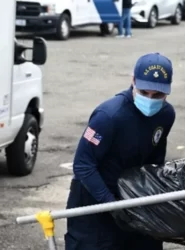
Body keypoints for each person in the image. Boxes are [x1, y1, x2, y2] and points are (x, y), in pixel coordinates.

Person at [64, 52, 176, 250]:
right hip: (95, 203)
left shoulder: (166, 115)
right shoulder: (108, 116)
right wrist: (112, 204)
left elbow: (155, 161)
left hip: (133, 199)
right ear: (133, 81)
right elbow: (83, 165)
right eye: (144, 92)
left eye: (158, 95)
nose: (150, 99)